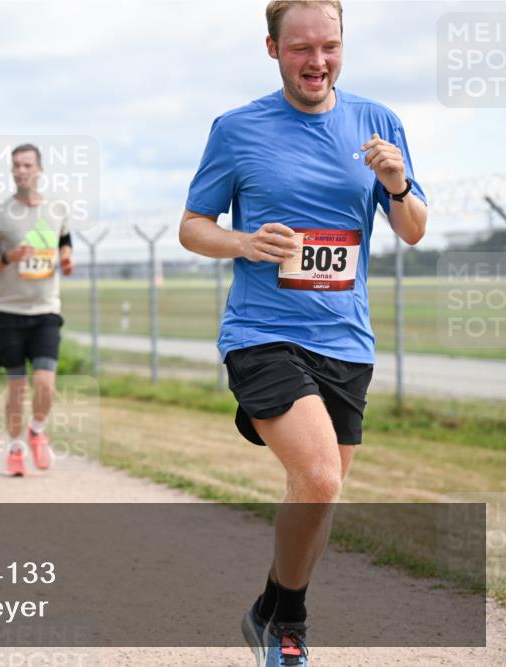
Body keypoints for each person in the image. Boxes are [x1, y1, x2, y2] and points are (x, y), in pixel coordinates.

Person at [178, 2, 427, 665]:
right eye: (300, 49)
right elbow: (192, 225)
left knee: (317, 494)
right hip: (262, 332)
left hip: (346, 339)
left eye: (330, 47)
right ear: (272, 48)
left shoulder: (378, 123)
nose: (317, 61)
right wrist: (244, 240)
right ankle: (292, 626)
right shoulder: (238, 129)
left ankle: (265, 609)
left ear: (343, 45)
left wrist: (398, 184)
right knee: (318, 475)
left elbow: (413, 228)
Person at [0, 144, 74, 476]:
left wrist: (66, 258)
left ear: (39, 170)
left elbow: (65, 240)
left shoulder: (57, 209)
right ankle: (16, 447)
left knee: (46, 383)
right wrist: (9, 257)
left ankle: (36, 430)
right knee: (17, 387)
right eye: (16, 165)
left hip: (46, 309)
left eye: (27, 165)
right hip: (7, 311)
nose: (21, 170)